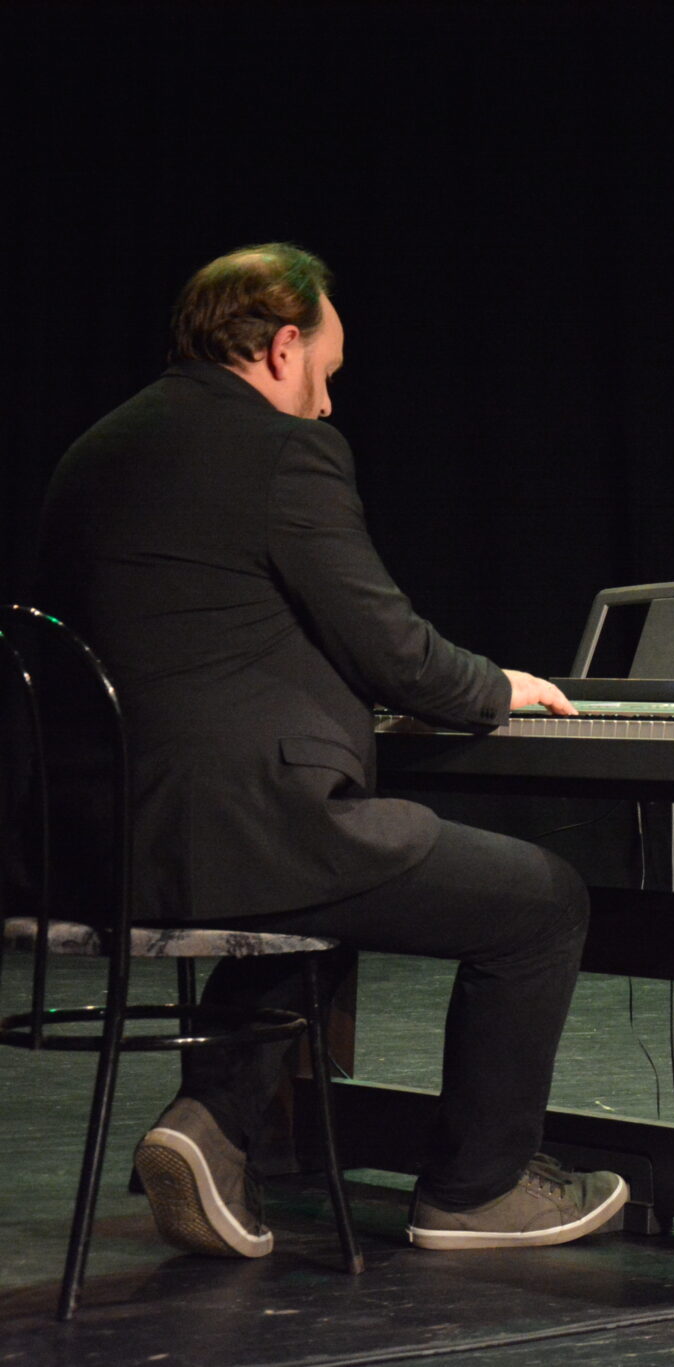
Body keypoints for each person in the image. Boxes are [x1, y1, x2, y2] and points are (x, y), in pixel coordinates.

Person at [35, 244, 628, 1254]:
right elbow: (390, 647)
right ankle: (476, 1190)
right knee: (541, 901)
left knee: (331, 881)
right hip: (234, 828)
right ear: (284, 346)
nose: (326, 402)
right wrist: (496, 687)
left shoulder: (94, 449)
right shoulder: (283, 450)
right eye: (326, 372)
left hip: (83, 846)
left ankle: (211, 1127)